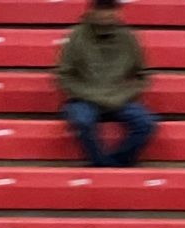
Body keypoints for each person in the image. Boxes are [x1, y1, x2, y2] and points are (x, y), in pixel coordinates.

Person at [56, 0, 158, 167]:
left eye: (111, 9)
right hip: (84, 99)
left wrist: (124, 95)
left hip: (120, 99)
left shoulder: (128, 38)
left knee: (146, 124)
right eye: (102, 9)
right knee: (82, 121)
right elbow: (64, 76)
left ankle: (112, 164)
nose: (106, 14)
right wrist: (90, 95)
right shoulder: (76, 37)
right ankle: (104, 165)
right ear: (92, 11)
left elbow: (142, 75)